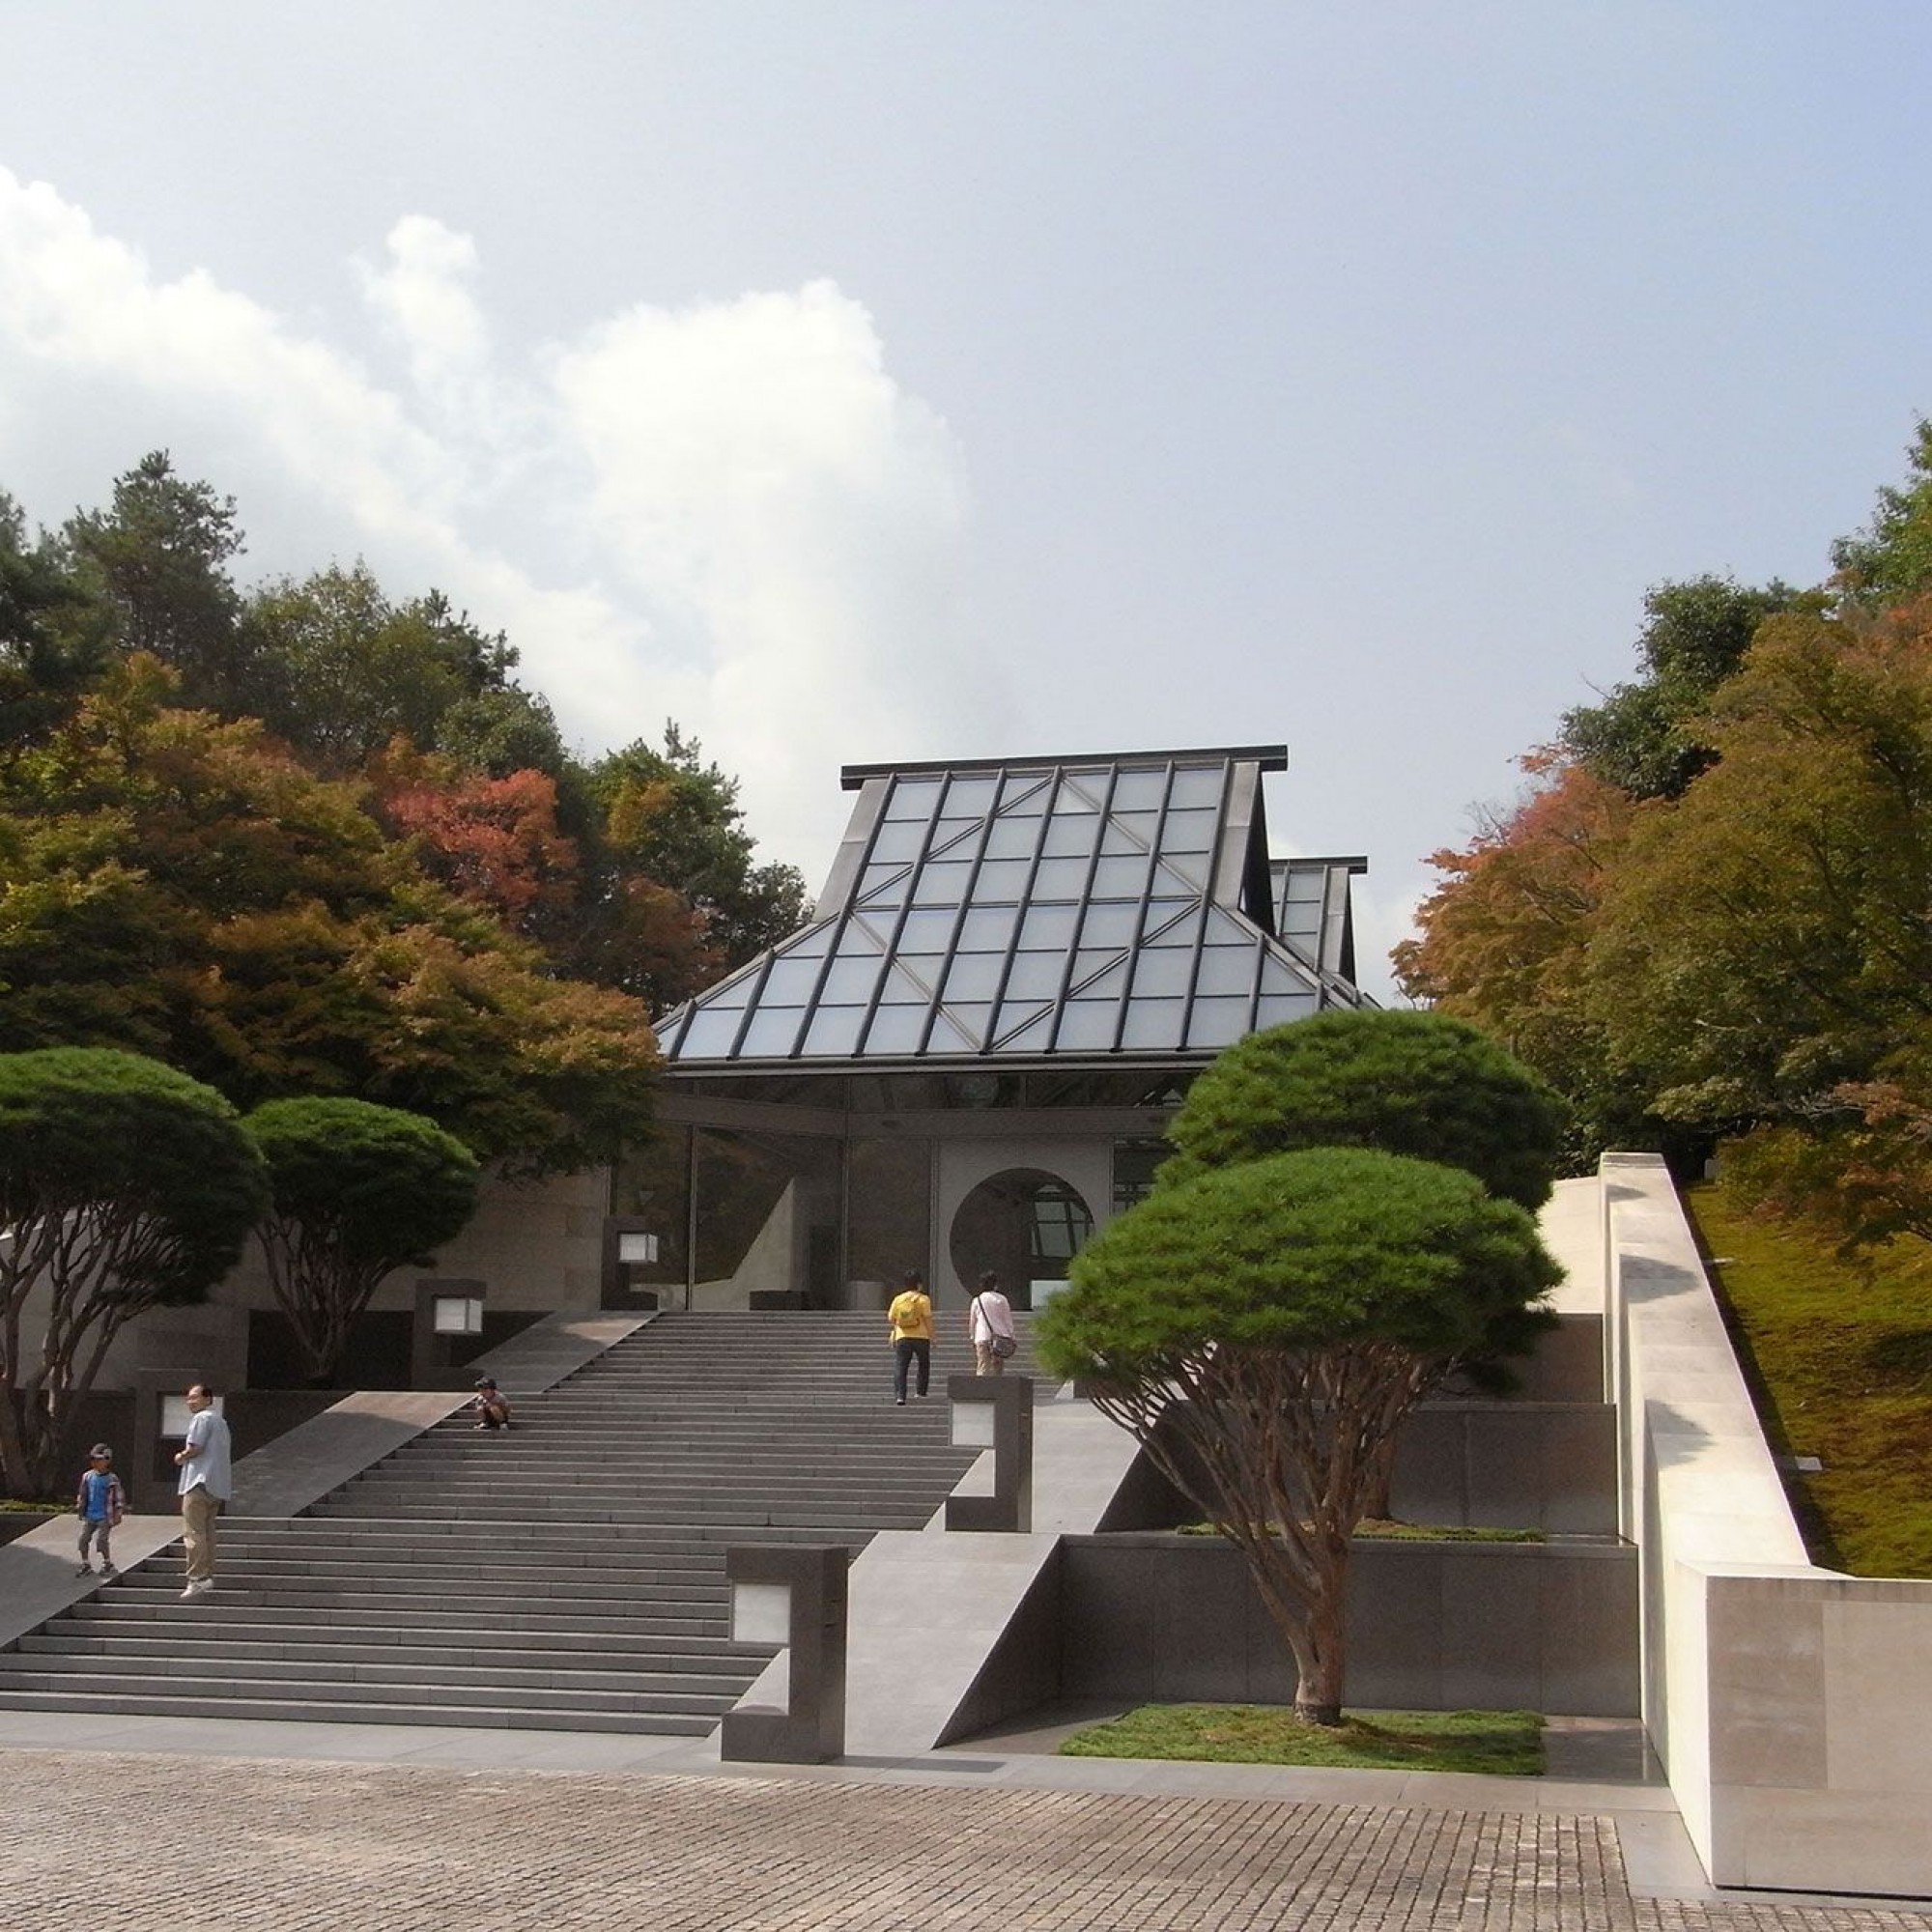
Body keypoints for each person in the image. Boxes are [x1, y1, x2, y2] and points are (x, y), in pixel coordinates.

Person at [173, 1383, 232, 1600]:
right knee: (208, 1532)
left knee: (193, 1532)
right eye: (188, 1398)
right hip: (218, 1485)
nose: (190, 1402)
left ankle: (196, 1578)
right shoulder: (221, 1422)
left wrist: (181, 1456)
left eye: (194, 1398)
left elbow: (195, 1447)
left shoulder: (201, 1419)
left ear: (208, 1399)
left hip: (198, 1482)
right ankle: (207, 1575)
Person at [72, 1443, 125, 1579]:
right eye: (93, 1460)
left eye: (98, 1460)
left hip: (104, 1515)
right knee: (83, 1539)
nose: (95, 1463)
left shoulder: (111, 1479)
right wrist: (80, 1504)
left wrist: (118, 1512)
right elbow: (83, 1493)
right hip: (90, 1514)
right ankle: (85, 1563)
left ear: (107, 1461)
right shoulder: (88, 1476)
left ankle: (107, 1562)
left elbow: (119, 1497)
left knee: (101, 1540)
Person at [887, 1268, 933, 1406]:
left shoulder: (898, 1299)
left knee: (901, 1366)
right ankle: (921, 1392)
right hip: (922, 1336)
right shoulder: (924, 1299)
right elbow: (928, 1319)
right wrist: (933, 1336)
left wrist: (895, 1332)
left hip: (903, 1336)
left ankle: (900, 1395)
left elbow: (891, 1318)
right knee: (923, 1364)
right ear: (919, 1284)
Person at [968, 1270, 1018, 1376]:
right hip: (999, 1337)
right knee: (997, 1367)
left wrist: (973, 1336)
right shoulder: (1001, 1299)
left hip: (982, 1337)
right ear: (995, 1284)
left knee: (982, 1366)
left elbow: (973, 1321)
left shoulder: (977, 1300)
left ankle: (981, 1389)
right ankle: (996, 1389)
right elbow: (1007, 1320)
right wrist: (1012, 1337)